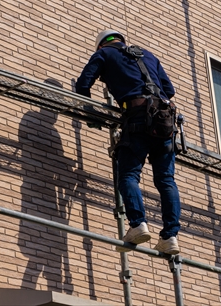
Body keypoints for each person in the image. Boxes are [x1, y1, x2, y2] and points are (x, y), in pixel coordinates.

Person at [75, 29, 181, 255]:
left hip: (137, 119)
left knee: (128, 176)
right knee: (165, 180)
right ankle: (170, 236)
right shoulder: (148, 55)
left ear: (101, 45)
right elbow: (169, 91)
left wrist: (90, 113)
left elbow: (83, 84)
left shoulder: (103, 54)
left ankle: (137, 224)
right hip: (165, 122)